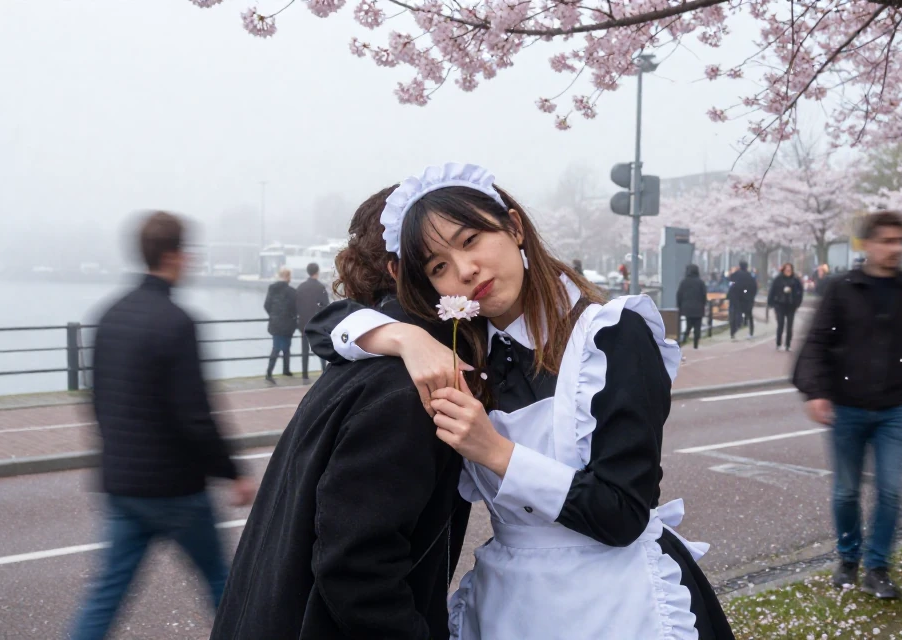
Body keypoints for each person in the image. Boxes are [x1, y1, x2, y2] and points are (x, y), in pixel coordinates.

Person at [309, 163, 733, 639]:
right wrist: (404, 337)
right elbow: (326, 327)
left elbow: (622, 515)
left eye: (470, 240)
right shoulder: (465, 348)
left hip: (617, 602)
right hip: (509, 605)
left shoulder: (611, 335)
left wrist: (494, 451)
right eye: (438, 267)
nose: (466, 271)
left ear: (514, 226)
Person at [210, 189, 473, 640]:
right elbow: (356, 567)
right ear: (400, 267)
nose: (470, 267)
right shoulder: (410, 387)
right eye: (440, 258)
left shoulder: (369, 359)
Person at [71, 211, 256, 640]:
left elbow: (97, 399)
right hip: (175, 488)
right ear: (175, 255)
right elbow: (195, 415)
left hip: (122, 484)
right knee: (221, 584)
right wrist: (233, 472)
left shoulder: (109, 316)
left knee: (105, 596)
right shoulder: (176, 322)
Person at [793, 211, 902, 601]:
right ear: (868, 245)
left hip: (895, 408)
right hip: (848, 407)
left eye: (900, 242)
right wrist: (816, 392)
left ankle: (877, 567)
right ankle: (848, 558)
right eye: (887, 241)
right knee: (845, 491)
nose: (895, 249)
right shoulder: (843, 289)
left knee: (891, 490)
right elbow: (816, 344)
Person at [294, 262, 330, 381]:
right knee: (321, 348)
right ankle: (324, 372)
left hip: (304, 322)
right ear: (317, 272)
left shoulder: (301, 287)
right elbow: (326, 306)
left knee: (304, 350)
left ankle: (305, 374)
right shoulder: (320, 287)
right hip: (318, 323)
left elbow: (296, 305)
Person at [263, 267, 297, 384]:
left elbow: (266, 305)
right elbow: (295, 309)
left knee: (276, 347)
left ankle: (270, 372)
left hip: (275, 323)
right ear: (288, 277)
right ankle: (284, 370)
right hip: (288, 323)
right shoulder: (292, 291)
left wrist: (273, 315)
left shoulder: (272, 289)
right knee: (286, 347)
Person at [768, 262, 804, 352]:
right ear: (783, 270)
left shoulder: (795, 280)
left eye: (790, 270)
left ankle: (788, 344)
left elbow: (800, 292)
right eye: (787, 269)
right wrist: (771, 303)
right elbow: (772, 291)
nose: (788, 271)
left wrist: (797, 303)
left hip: (791, 305)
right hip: (780, 305)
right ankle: (778, 343)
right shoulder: (778, 279)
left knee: (790, 325)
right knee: (780, 324)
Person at [676, 264, 708, 351]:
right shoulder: (700, 282)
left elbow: (679, 295)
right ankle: (695, 345)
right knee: (697, 327)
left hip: (687, 308)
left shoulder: (684, 282)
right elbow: (704, 295)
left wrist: (679, 306)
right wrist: (703, 304)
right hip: (698, 308)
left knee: (688, 326)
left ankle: (682, 342)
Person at [727, 261, 758, 340]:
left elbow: (731, 281)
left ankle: (733, 332)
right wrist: (750, 295)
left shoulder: (736, 274)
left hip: (736, 298)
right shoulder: (749, 276)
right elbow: (753, 287)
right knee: (749, 315)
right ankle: (751, 332)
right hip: (747, 298)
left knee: (734, 314)